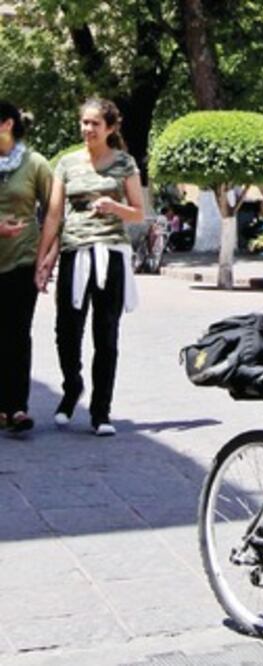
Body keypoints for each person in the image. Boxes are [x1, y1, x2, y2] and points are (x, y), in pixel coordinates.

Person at [35, 98, 145, 437]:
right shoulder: (67, 163)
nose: (88, 129)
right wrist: (43, 257)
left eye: (95, 123)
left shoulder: (124, 163)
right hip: (74, 251)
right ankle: (72, 387)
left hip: (110, 253)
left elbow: (139, 212)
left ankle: (101, 411)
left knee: (106, 333)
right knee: (66, 330)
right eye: (84, 122)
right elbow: (54, 214)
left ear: (110, 128)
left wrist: (114, 206)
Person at [0, 101, 53, 433]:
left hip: (23, 258)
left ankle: (17, 406)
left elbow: (54, 212)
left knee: (18, 333)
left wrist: (47, 256)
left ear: (7, 124)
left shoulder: (35, 164)